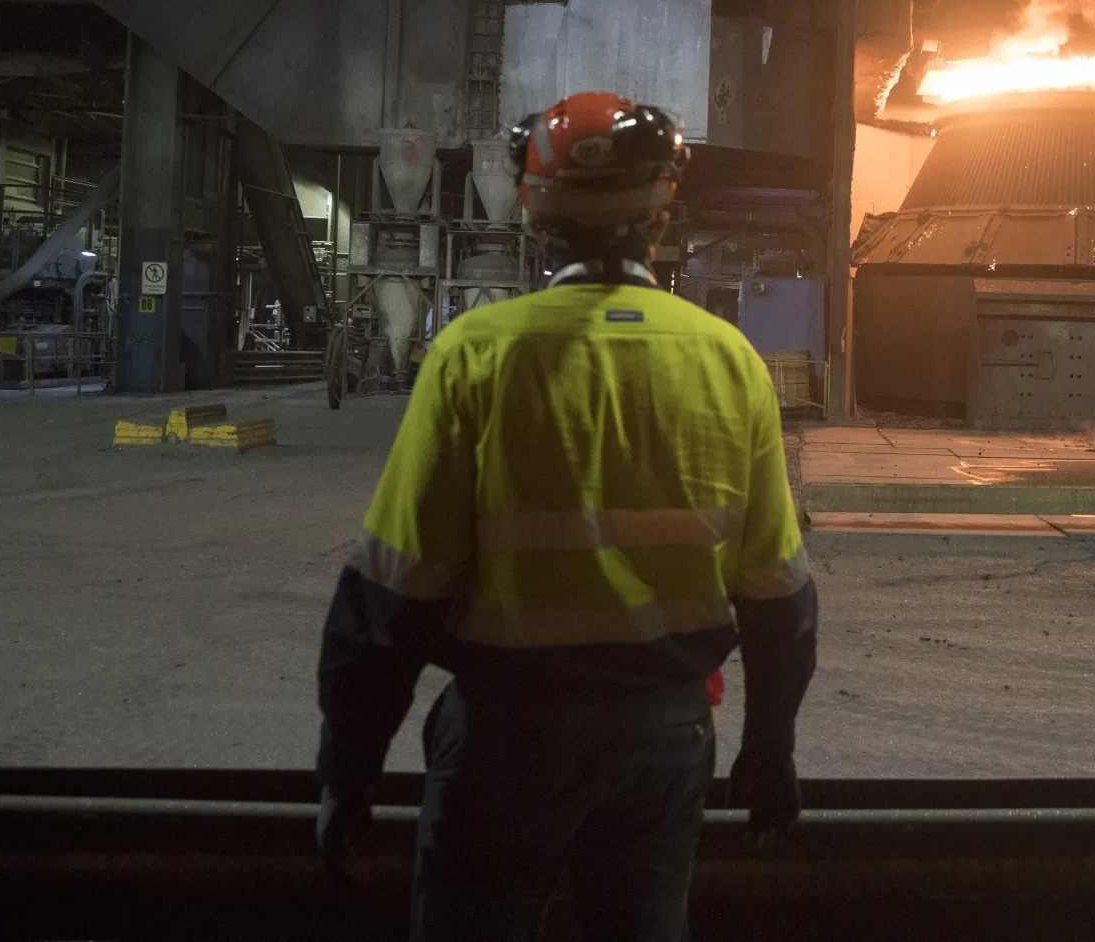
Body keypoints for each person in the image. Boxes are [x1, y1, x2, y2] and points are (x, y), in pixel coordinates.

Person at [313, 92, 818, 942]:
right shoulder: (728, 360)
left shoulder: (478, 352)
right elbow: (778, 595)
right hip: (663, 735)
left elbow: (393, 590)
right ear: (663, 207)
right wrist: (769, 752)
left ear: (535, 211)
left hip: (509, 736)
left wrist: (350, 769)